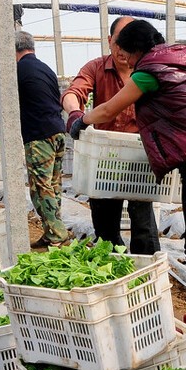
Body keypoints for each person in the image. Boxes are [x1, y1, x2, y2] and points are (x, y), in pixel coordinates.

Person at [65, 20, 186, 349]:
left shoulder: (149, 70)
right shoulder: (185, 56)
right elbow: (77, 91)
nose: (126, 62)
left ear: (135, 50)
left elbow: (106, 109)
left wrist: (79, 120)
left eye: (127, 55)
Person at [61, 16, 161, 256]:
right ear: (110, 41)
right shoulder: (96, 67)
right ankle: (116, 269)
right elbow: (73, 92)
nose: (123, 50)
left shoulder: (149, 69)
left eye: (129, 43)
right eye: (119, 42)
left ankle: (145, 271)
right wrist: (75, 112)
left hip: (140, 158)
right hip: (104, 159)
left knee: (144, 225)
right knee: (106, 226)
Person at [0, 31, 70, 248]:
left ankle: (56, 234)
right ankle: (52, 230)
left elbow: (6, 99)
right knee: (53, 185)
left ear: (12, 50)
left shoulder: (17, 70)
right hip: (57, 131)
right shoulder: (46, 68)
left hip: (39, 136)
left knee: (40, 187)